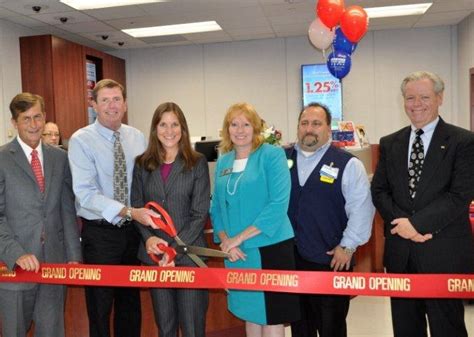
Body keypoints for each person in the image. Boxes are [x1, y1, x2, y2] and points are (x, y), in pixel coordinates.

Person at [371, 71, 474, 337]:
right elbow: (380, 191)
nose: (416, 104)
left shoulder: (463, 141)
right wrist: (402, 226)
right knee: (405, 328)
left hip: (443, 253)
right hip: (400, 253)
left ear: (440, 98)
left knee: (447, 328)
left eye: (424, 97)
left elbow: (459, 195)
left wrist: (415, 225)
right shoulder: (390, 143)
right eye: (410, 98)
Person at [68, 79, 160, 337]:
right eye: (105, 100)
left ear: (125, 104)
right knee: (100, 306)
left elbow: (145, 184)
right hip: (100, 235)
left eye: (117, 99)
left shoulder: (137, 137)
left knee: (130, 305)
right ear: (93, 105)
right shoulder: (81, 140)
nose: (112, 105)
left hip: (133, 233)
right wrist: (129, 211)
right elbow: (85, 195)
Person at [210, 102, 300, 337]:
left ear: (256, 127)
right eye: (234, 124)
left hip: (270, 248)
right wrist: (225, 241)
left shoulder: (271, 155)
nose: (240, 130)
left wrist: (237, 239)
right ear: (226, 129)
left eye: (246, 124)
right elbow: (216, 207)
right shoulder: (224, 162)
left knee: (271, 318)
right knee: (250, 314)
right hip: (236, 253)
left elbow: (278, 205)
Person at [286, 102, 375, 337]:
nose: (309, 129)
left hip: (332, 260)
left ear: (328, 129)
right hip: (292, 261)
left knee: (331, 327)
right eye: (304, 123)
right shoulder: (282, 159)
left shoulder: (348, 164)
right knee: (300, 327)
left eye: (316, 123)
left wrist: (347, 246)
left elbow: (362, 208)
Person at [0, 93, 82, 337]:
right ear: (14, 122)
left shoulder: (60, 157)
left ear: (45, 117)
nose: (34, 125)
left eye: (38, 117)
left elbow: (67, 209)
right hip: (15, 266)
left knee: (52, 332)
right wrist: (16, 253)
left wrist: (73, 255)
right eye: (26, 119)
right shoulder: (2, 159)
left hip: (53, 264)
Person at [131, 102, 210, 337]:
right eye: (163, 124)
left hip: (189, 256)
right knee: (165, 328)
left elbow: (199, 213)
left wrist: (173, 250)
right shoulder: (142, 164)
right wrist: (149, 239)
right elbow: (137, 209)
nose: (169, 130)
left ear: (183, 129)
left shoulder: (197, 163)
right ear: (155, 129)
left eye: (175, 124)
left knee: (192, 327)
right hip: (156, 258)